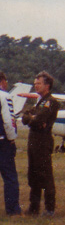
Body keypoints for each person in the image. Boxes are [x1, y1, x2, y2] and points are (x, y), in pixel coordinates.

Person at [22, 71, 59, 216]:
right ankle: (34, 206)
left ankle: (49, 208)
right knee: (33, 174)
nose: (36, 86)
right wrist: (32, 118)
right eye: (35, 83)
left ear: (47, 85)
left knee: (45, 175)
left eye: (39, 83)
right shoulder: (39, 101)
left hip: (43, 142)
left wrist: (33, 119)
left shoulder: (51, 102)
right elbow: (25, 116)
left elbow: (38, 120)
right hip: (33, 141)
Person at [0, 72, 21, 215]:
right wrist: (12, 138)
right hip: (2, 142)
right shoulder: (4, 96)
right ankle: (12, 209)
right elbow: (9, 120)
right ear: (3, 81)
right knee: (10, 177)